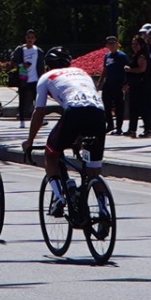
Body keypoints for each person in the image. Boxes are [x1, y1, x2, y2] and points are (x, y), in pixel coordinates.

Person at [22, 46, 106, 216]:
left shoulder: (46, 77)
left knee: (51, 154)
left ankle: (60, 197)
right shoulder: (82, 73)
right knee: (93, 170)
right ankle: (104, 211)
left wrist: (29, 141)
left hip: (74, 112)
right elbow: (87, 102)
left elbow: (39, 113)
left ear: (47, 66)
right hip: (98, 113)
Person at [98, 36, 129, 135]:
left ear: (117, 44)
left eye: (113, 43)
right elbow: (105, 70)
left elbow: (127, 70)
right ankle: (110, 125)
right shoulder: (107, 56)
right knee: (106, 105)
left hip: (118, 84)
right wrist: (100, 81)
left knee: (119, 106)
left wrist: (127, 83)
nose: (111, 46)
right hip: (108, 84)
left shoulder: (122, 56)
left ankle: (119, 127)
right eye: (109, 44)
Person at [127, 31, 151, 137]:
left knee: (143, 108)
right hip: (135, 86)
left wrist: (129, 70)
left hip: (141, 86)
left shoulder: (142, 56)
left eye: (136, 44)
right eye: (133, 44)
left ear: (141, 45)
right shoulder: (136, 55)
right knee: (133, 108)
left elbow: (142, 69)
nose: (134, 46)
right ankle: (132, 129)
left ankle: (148, 129)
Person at [15, 30, 42, 125]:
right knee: (22, 100)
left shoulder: (38, 50)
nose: (30, 39)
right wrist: (22, 65)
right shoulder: (20, 49)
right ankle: (22, 120)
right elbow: (13, 63)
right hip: (23, 78)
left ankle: (39, 119)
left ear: (35, 39)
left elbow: (41, 65)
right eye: (28, 37)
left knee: (38, 100)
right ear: (25, 38)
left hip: (35, 79)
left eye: (32, 38)